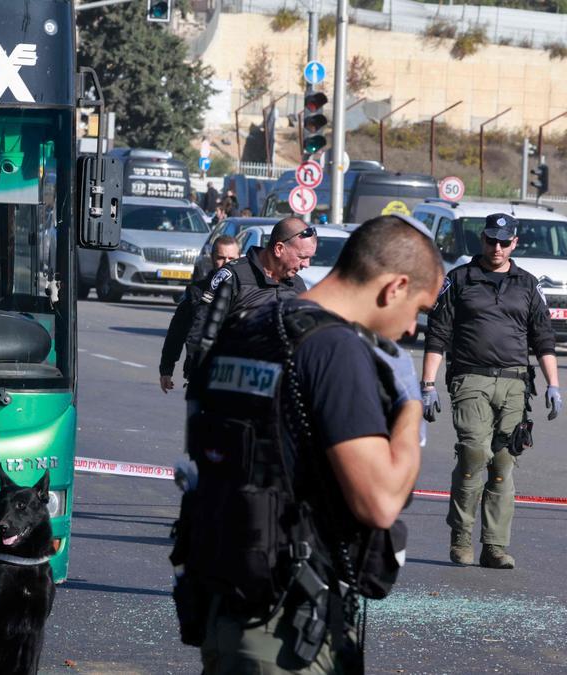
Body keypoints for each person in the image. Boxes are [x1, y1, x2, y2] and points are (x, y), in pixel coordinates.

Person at [173, 215, 443, 672]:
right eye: (419, 309)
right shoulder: (334, 349)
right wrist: (409, 402)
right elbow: (380, 501)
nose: (414, 329)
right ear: (394, 287)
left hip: (231, 600)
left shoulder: (251, 327)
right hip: (290, 625)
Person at [420, 213, 561, 570]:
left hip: (515, 384)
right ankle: (462, 536)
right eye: (490, 240)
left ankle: (494, 546)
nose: (495, 247)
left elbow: (543, 338)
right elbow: (437, 334)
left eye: (503, 241)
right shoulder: (460, 279)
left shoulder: (528, 284)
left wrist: (553, 386)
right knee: (473, 452)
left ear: (514, 243)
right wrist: (428, 385)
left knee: (502, 463)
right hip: (470, 379)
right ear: (482, 241)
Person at [186, 217, 317, 360]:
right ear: (279, 249)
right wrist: (199, 374)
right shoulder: (233, 276)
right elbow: (200, 329)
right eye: (302, 257)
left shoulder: (297, 284)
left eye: (310, 258)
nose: (306, 264)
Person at [159, 235, 240, 392]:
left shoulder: (249, 291)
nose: (226, 263)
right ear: (212, 258)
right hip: (200, 371)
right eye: (221, 258)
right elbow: (177, 331)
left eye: (232, 258)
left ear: (239, 258)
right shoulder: (197, 292)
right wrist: (166, 369)